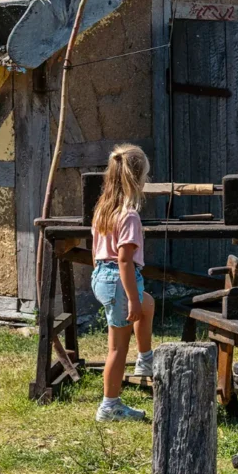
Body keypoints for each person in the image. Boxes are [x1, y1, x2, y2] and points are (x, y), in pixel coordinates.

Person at [91, 143, 155, 422]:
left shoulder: (104, 209)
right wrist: (131, 297)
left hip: (102, 276)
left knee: (148, 303)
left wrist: (136, 298)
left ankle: (145, 360)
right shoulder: (129, 215)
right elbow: (125, 261)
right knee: (117, 348)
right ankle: (109, 406)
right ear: (138, 178)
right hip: (119, 280)